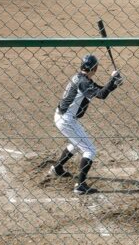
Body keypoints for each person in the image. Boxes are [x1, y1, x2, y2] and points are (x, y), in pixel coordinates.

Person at [48, 54, 123, 195]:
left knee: (77, 143)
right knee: (90, 150)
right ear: (95, 68)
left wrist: (114, 83)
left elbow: (100, 90)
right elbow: (101, 94)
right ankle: (80, 185)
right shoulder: (84, 82)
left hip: (63, 117)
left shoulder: (81, 78)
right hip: (66, 120)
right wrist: (113, 80)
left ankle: (57, 168)